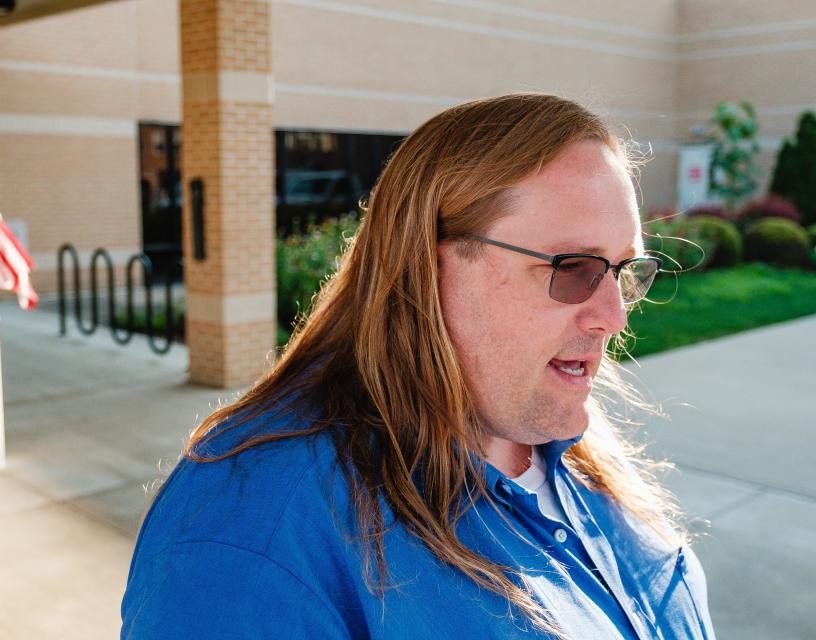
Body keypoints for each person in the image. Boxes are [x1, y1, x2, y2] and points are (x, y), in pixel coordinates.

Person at [121, 93, 716, 640]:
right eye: (575, 268)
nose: (613, 316)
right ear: (426, 270)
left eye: (624, 270)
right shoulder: (253, 528)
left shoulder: (565, 438)